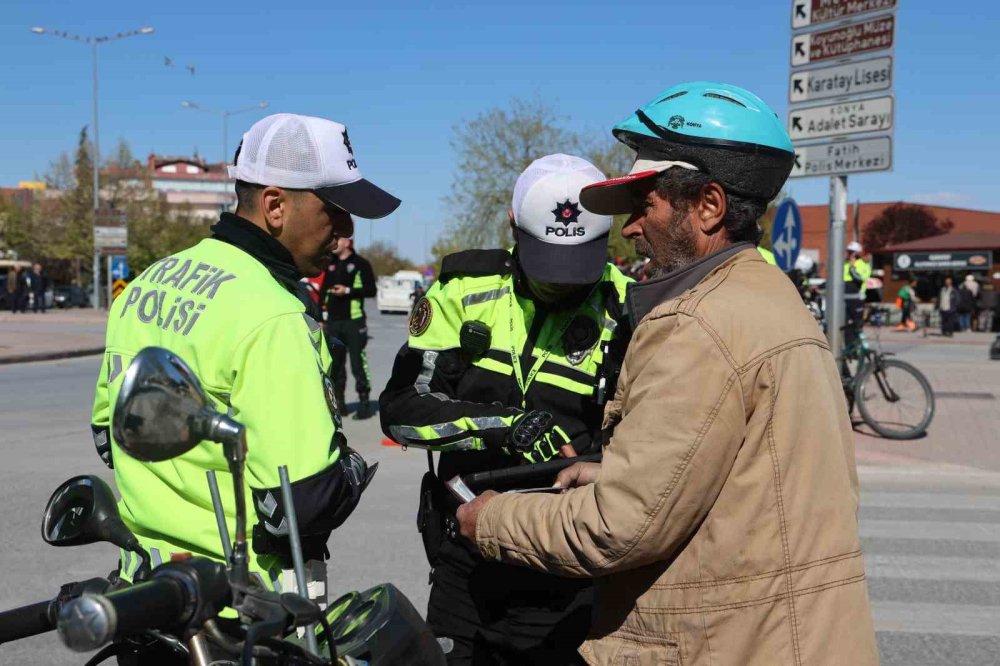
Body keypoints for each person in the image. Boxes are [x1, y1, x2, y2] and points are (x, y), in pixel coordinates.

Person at [456, 82, 878, 665]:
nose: (629, 228)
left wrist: (492, 519)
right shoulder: (769, 299)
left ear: (708, 206)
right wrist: (618, 472)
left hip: (730, 644)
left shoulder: (697, 324)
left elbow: (618, 527)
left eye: (644, 205)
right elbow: (744, 480)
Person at [91, 113, 397, 616]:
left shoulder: (148, 283)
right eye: (336, 210)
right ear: (276, 205)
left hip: (145, 594)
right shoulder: (273, 313)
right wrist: (351, 468)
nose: (346, 230)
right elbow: (300, 504)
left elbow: (108, 435)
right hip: (242, 610)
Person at [380, 154, 633, 665]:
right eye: (548, 264)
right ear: (513, 226)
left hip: (571, 566)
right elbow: (402, 410)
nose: (562, 282)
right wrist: (504, 427)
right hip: (465, 561)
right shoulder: (461, 289)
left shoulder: (630, 307)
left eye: (579, 261)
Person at [320, 237, 378, 419]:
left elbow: (371, 290)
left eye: (339, 239)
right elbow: (323, 290)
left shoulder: (361, 264)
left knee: (357, 364)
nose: (335, 241)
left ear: (348, 242)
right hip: (334, 322)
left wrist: (348, 291)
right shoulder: (330, 262)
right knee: (336, 366)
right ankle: (340, 404)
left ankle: (364, 403)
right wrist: (321, 316)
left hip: (354, 322)